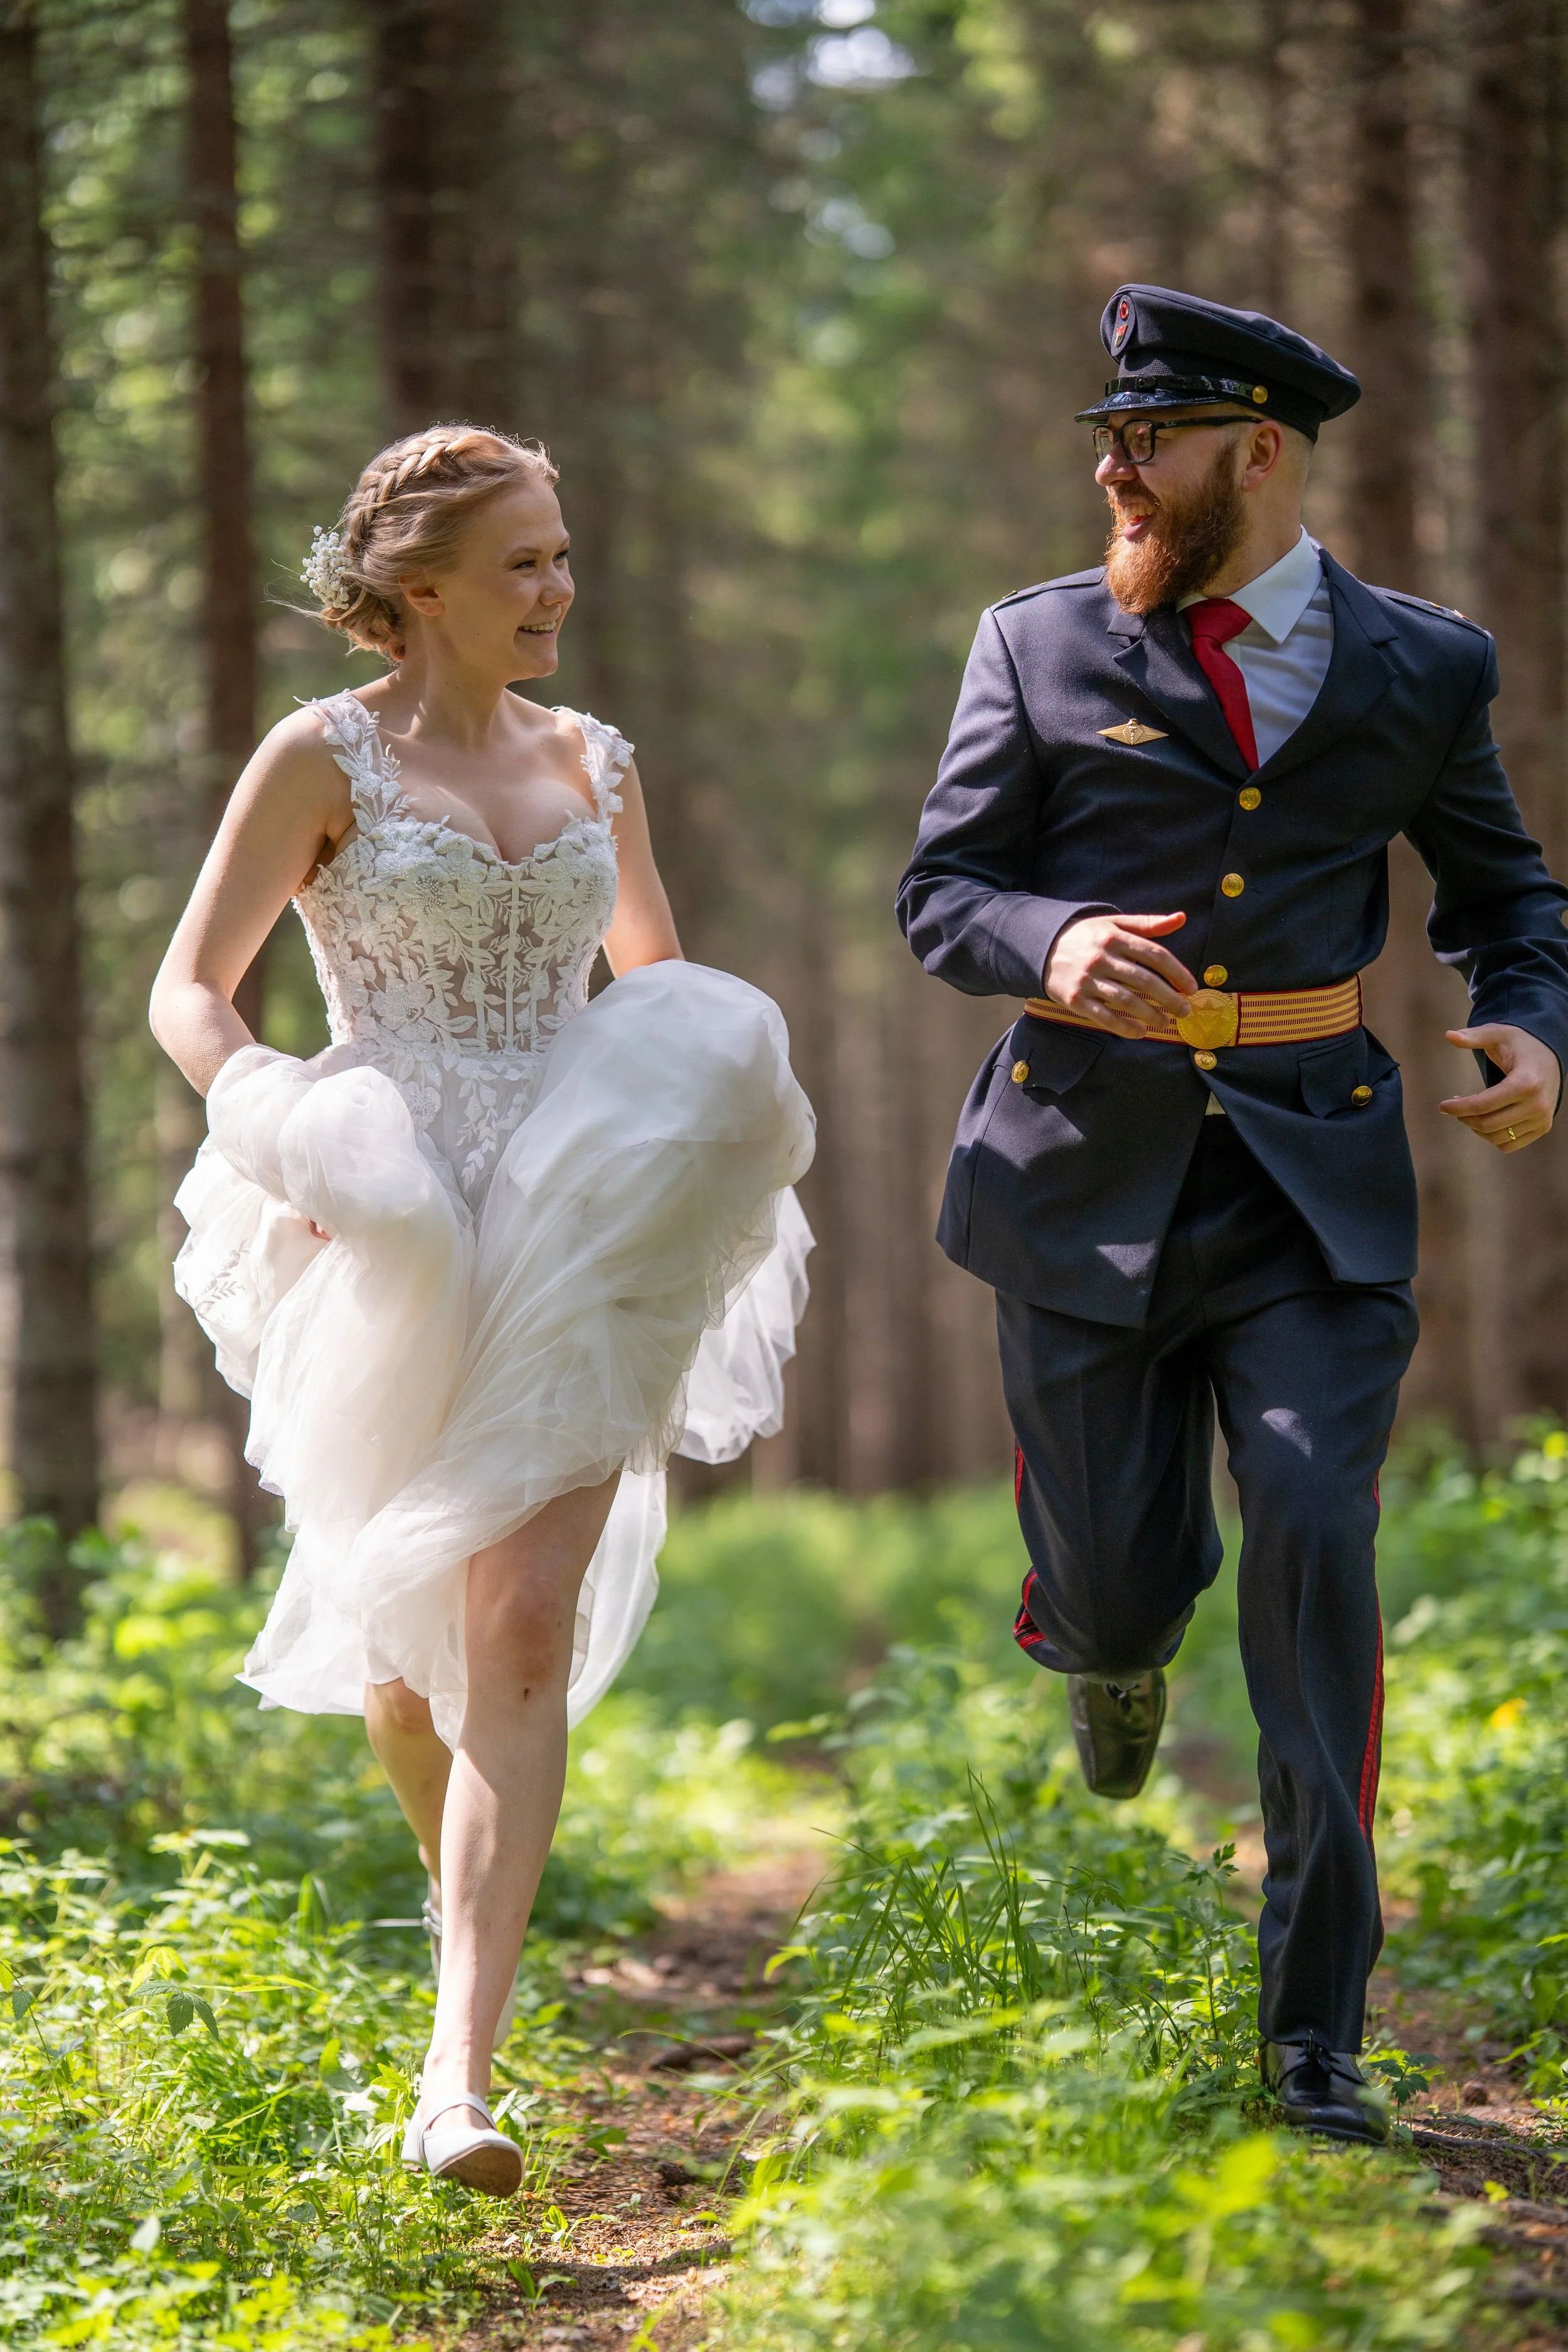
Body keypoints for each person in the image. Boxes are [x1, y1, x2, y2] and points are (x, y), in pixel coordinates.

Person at [897, 283, 1568, 2146]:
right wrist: (1051, 941)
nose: (1112, 467)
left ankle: (1312, 2032)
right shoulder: (1032, 644)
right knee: (1125, 1584)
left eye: (1147, 439)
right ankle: (1103, 1642)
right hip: (1073, 1182)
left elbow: (1509, 898)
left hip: (1315, 1188)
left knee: (1310, 1541)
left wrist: (1525, 1024)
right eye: (1105, 439)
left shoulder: (1421, 664)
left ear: (1253, 454)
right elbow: (940, 891)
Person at [151, 425, 814, 2195]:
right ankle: (464, 1912)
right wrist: (283, 1128)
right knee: (395, 1653)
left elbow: (654, 972)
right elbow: (190, 992)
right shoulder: (323, 757)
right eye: (522, 562)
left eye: (564, 554)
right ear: (417, 586)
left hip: (578, 1229)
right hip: (383, 1218)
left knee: (516, 1619)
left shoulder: (599, 760)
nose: (556, 591)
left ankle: (458, 2071)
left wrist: (699, 1120)